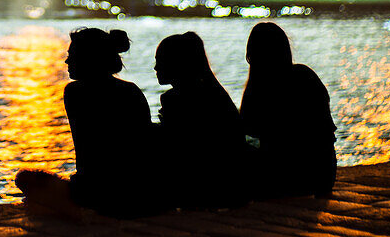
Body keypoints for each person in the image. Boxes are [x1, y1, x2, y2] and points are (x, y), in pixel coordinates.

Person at [16, 27, 159, 218]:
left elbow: (88, 155)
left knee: (24, 178)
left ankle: (78, 210)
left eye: (72, 55)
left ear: (89, 58)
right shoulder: (131, 90)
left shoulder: (75, 93)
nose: (67, 61)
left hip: (97, 191)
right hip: (141, 190)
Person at [240, 22, 336, 198]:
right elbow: (326, 134)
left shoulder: (260, 90)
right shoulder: (305, 75)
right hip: (320, 175)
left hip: (284, 179)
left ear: (252, 55)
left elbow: (248, 132)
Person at [154, 31, 248, 208]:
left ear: (176, 63)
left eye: (160, 60)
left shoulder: (177, 99)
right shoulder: (215, 93)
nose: (155, 67)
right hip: (231, 185)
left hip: (204, 188)